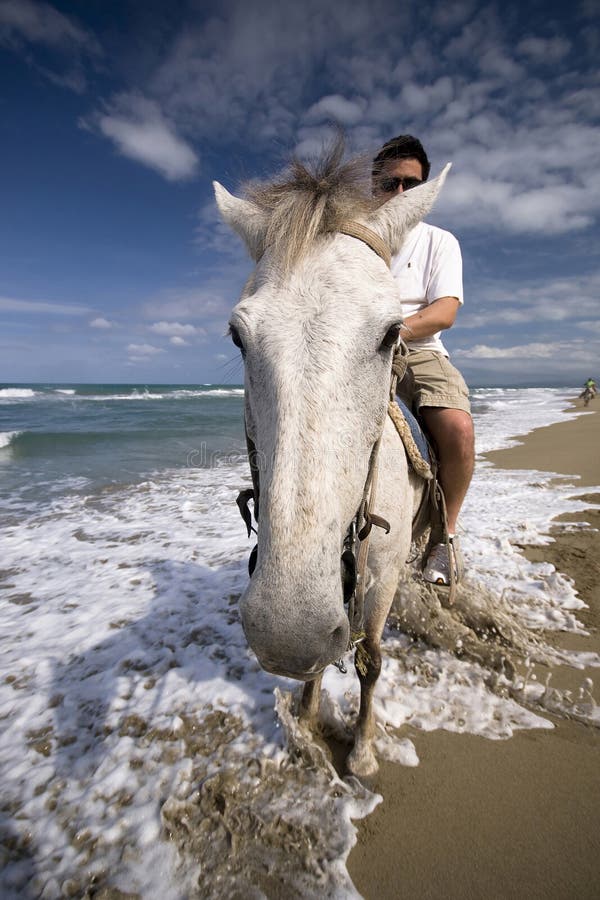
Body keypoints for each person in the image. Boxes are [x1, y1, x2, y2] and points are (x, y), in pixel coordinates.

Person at [372, 134, 475, 586]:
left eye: (410, 184)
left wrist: (391, 333)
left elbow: (444, 312)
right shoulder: (353, 238)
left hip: (419, 348)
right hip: (358, 349)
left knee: (458, 428)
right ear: (374, 186)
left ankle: (443, 537)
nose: (399, 192)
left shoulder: (439, 241)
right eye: (389, 183)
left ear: (425, 190)